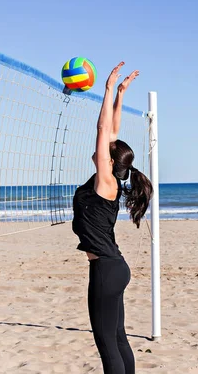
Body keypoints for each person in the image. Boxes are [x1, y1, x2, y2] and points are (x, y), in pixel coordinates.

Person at [72, 62, 153, 374]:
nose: (101, 148)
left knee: (108, 344)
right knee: (118, 339)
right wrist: (120, 94)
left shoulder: (106, 182)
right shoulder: (111, 180)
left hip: (106, 269)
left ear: (109, 160)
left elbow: (104, 130)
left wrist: (106, 89)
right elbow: (113, 132)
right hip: (114, 267)